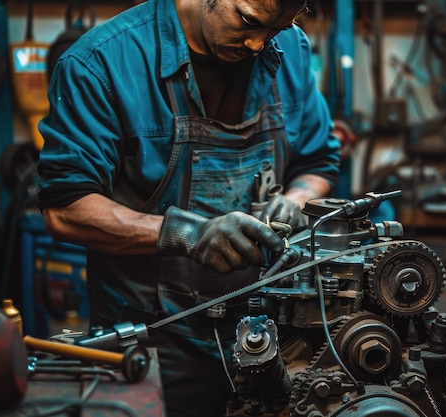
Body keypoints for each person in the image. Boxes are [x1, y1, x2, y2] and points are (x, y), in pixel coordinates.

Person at [36, 0, 340, 415]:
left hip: (274, 337)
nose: (256, 44)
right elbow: (66, 207)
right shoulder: (100, 63)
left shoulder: (290, 49)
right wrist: (186, 234)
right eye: (248, 21)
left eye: (275, 29)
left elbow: (318, 162)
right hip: (154, 343)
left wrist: (292, 199)